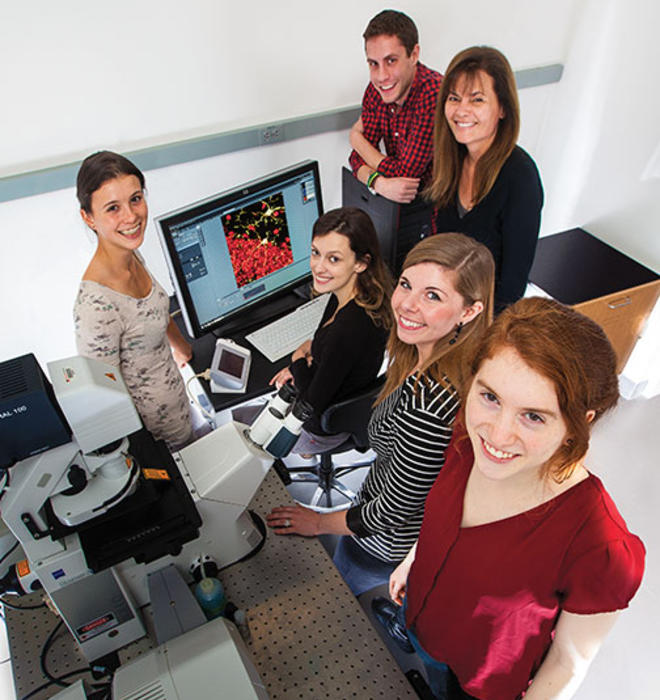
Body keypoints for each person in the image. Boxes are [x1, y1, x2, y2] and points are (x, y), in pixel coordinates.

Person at [376, 297, 645, 700]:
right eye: (490, 397)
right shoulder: (468, 438)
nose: (498, 436)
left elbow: (569, 662)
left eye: (533, 416)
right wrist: (413, 558)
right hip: (424, 621)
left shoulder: (601, 545)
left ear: (578, 424)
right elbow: (443, 519)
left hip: (482, 684)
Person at [267, 234, 495, 596]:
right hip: (377, 499)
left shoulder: (430, 404)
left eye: (433, 295)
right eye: (406, 285)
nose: (406, 305)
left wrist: (318, 523)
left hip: (379, 542)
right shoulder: (420, 355)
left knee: (336, 598)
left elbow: (389, 512)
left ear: (469, 311)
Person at [74, 151, 194, 449]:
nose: (131, 217)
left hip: (180, 411)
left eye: (136, 199)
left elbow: (157, 310)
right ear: (88, 217)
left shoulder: (130, 254)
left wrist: (183, 349)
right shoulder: (95, 307)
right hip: (156, 441)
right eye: (113, 208)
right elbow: (106, 402)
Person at [427, 46, 543, 312]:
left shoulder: (520, 177)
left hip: (484, 318)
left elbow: (511, 289)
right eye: (454, 98)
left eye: (477, 100)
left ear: (502, 108)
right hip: (447, 305)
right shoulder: (451, 161)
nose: (461, 111)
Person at [268, 207, 392, 454]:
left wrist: (297, 361)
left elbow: (310, 408)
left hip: (322, 427)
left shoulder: (347, 330)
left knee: (241, 423)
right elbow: (329, 353)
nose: (318, 267)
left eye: (333, 259)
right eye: (316, 253)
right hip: (344, 403)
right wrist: (308, 354)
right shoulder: (360, 296)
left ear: (360, 263)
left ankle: (304, 451)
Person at [348, 9, 442, 204]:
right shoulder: (376, 91)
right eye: (373, 63)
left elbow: (406, 173)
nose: (382, 76)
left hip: (439, 204)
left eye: (391, 61)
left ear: (414, 54)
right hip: (399, 201)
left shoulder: (432, 92)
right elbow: (357, 159)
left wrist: (356, 138)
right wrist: (378, 183)